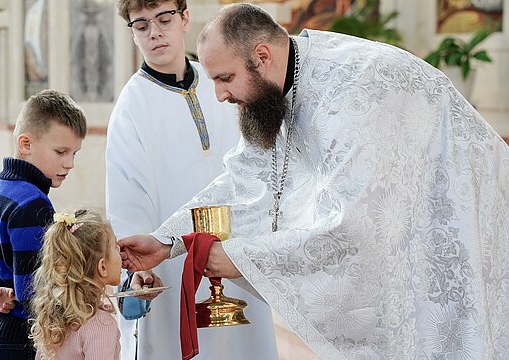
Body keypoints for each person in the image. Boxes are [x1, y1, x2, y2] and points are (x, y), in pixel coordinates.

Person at [118, 3, 509, 359]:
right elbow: (244, 182)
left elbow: (355, 225)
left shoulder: (354, 91)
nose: (219, 95)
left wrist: (242, 258)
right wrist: (166, 241)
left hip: (463, 224)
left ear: (262, 56)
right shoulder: (280, 88)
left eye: (225, 78)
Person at [106, 0, 277, 359]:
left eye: (164, 19)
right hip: (170, 264)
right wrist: (135, 269)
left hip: (236, 252)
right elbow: (127, 197)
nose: (154, 33)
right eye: (141, 25)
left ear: (184, 18)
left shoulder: (223, 80)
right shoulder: (132, 105)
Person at [0, 89, 87, 360]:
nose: (69, 164)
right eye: (61, 152)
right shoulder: (33, 205)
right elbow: (35, 294)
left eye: (74, 154)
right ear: (26, 144)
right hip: (23, 341)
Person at [29, 210, 121, 359]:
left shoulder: (55, 316)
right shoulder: (101, 325)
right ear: (102, 267)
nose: (120, 251)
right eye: (115, 247)